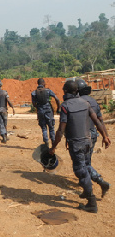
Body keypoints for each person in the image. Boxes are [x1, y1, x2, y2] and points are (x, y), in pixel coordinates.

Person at [49, 80, 111, 213]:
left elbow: (60, 130)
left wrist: (53, 147)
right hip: (88, 141)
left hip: (76, 143)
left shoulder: (65, 106)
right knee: (85, 166)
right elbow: (97, 122)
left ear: (65, 91)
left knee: (80, 171)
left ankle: (91, 202)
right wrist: (105, 136)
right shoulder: (86, 103)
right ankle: (88, 191)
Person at [76, 78, 110, 198]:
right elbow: (100, 120)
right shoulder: (94, 101)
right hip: (93, 134)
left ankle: (99, 181)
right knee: (87, 161)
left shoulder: (78, 102)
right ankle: (86, 181)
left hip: (83, 135)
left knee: (83, 163)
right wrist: (105, 135)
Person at [32, 78, 60, 147]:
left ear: (38, 83)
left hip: (40, 111)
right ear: (43, 83)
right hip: (48, 111)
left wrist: (38, 108)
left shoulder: (34, 92)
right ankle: (53, 142)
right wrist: (58, 108)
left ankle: (46, 142)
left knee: (44, 128)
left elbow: (33, 104)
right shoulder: (48, 91)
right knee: (51, 127)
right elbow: (57, 99)